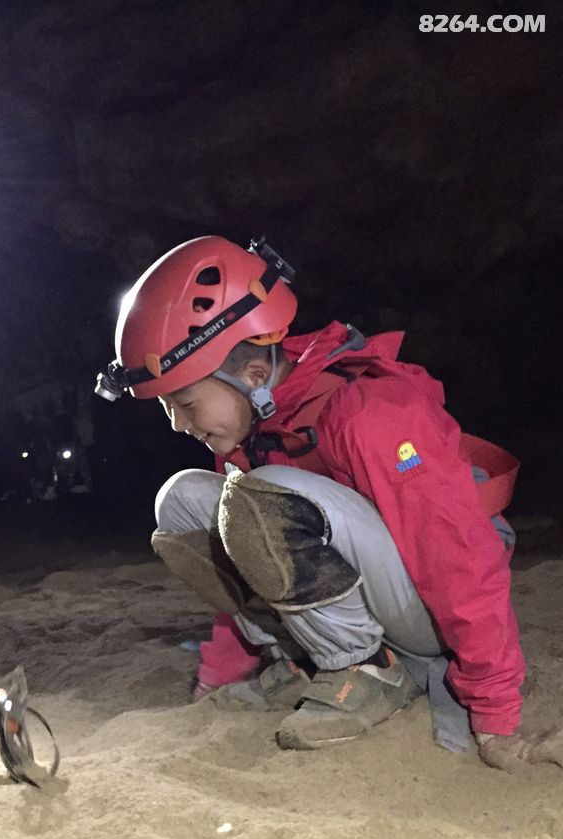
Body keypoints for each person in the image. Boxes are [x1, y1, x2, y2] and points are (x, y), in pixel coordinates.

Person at [95, 235, 561, 772]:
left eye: (185, 402)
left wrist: (495, 709)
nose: (179, 423)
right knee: (182, 501)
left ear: (250, 375)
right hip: (369, 590)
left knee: (259, 493)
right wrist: (224, 670)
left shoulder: (368, 413)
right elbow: (242, 550)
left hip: (425, 607)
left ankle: (370, 668)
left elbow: (459, 557)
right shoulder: (257, 428)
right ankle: (303, 657)